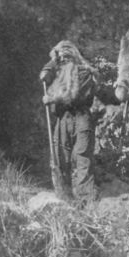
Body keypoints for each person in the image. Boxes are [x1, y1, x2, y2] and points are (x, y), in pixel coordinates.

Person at [39, 41, 99, 203]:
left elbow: (75, 96)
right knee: (60, 156)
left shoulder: (86, 73)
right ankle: (64, 197)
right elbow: (47, 75)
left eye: (67, 56)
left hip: (81, 118)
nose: (64, 60)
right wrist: (52, 60)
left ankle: (86, 199)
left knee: (82, 156)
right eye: (62, 58)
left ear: (74, 56)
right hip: (63, 119)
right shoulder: (59, 78)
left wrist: (51, 98)